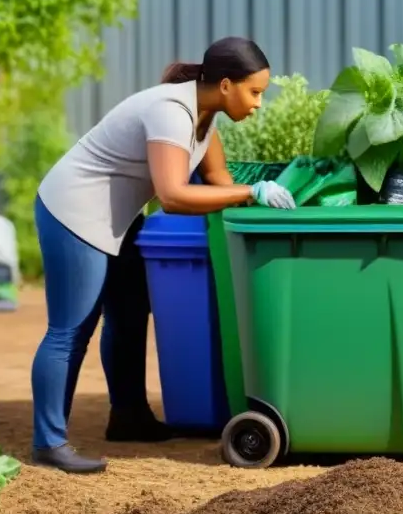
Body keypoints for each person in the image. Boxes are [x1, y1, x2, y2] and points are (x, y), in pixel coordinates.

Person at [31, 36, 296, 474]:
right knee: (71, 329)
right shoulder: (171, 112)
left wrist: (254, 199)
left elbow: (216, 178)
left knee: (130, 314)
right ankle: (48, 443)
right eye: (256, 92)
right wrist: (252, 192)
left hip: (117, 215)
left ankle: (129, 416)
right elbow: (173, 195)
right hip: (74, 211)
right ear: (226, 85)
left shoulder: (205, 115)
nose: (259, 104)